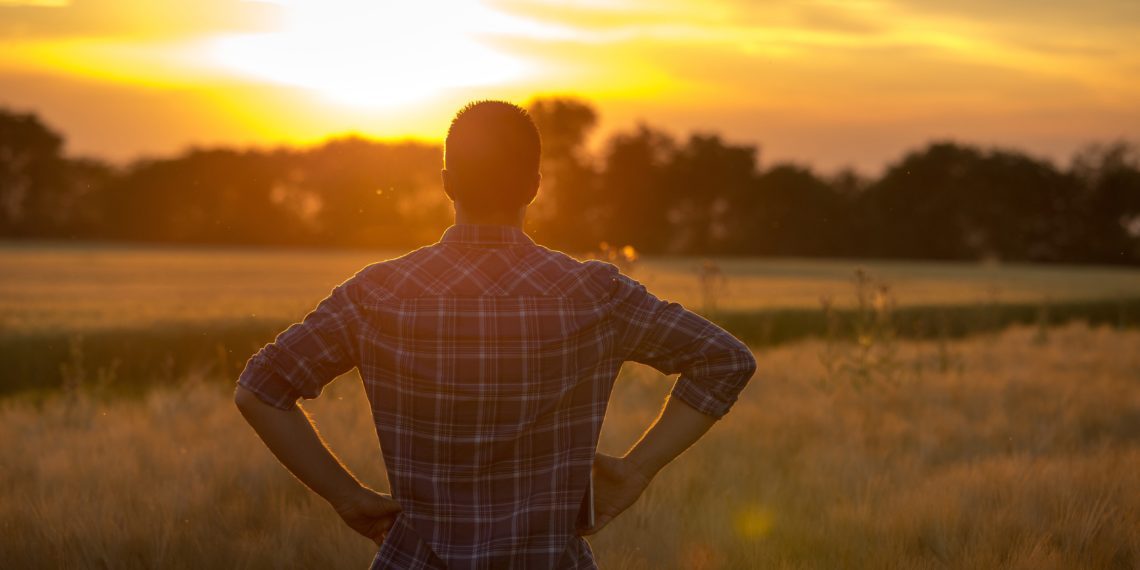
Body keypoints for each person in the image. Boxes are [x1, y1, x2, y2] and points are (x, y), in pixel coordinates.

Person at [234, 100, 757, 569]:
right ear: (534, 185)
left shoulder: (377, 295)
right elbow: (724, 361)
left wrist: (346, 497)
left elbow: (260, 389)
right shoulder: (596, 295)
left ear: (446, 183)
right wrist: (637, 469)